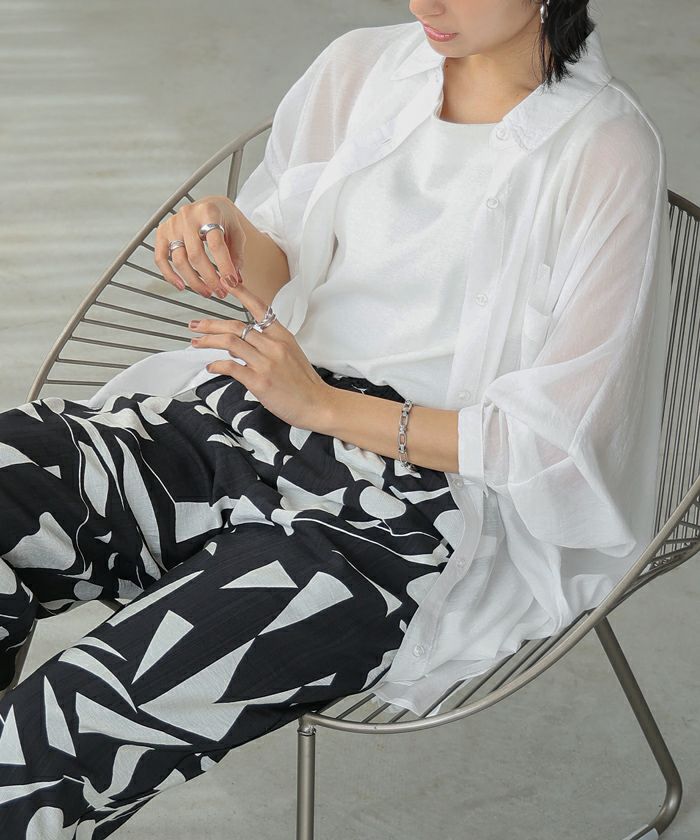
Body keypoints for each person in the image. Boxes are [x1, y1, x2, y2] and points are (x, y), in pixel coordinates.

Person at [0, 1, 672, 837]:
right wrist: (227, 234)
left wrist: (322, 405)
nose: (426, 4)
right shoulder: (363, 67)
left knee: (65, 726)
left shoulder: (604, 149)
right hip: (241, 424)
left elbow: (554, 439)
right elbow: (295, 263)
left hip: (406, 520)